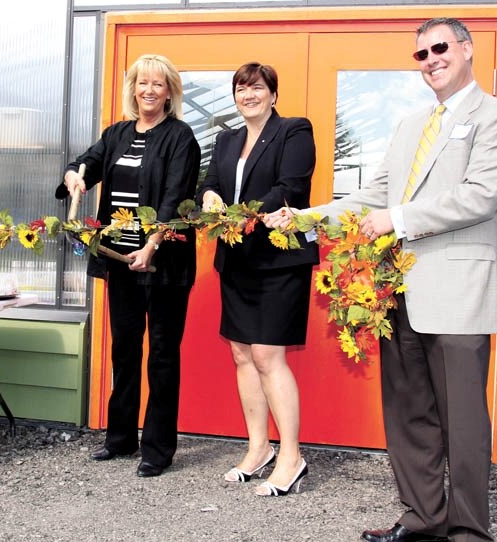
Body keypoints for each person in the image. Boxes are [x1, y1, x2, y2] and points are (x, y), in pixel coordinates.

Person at [266, 18, 497, 541]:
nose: (431, 59)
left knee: (464, 425)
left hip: (458, 295)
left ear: (467, 49)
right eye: (421, 54)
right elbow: (372, 196)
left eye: (440, 48)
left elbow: (479, 196)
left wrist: (398, 220)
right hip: (397, 291)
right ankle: (422, 519)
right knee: (408, 415)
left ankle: (470, 531)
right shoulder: (410, 125)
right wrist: (307, 218)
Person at [56, 54, 200, 477]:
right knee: (123, 349)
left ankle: (157, 449)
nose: (149, 91)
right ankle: (120, 438)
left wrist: (153, 244)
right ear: (133, 89)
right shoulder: (116, 133)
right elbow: (85, 162)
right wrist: (74, 177)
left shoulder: (181, 137)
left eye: (158, 84)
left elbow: (177, 198)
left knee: (161, 354)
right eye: (142, 83)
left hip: (163, 263)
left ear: (170, 91)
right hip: (119, 259)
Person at [197, 62, 318, 497]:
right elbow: (208, 184)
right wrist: (209, 196)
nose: (248, 95)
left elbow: (291, 187)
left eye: (257, 88)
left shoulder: (294, 130)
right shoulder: (226, 138)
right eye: (241, 88)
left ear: (272, 94)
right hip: (236, 260)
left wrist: (237, 214)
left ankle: (292, 456)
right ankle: (258, 448)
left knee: (268, 355)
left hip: (278, 262)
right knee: (242, 353)